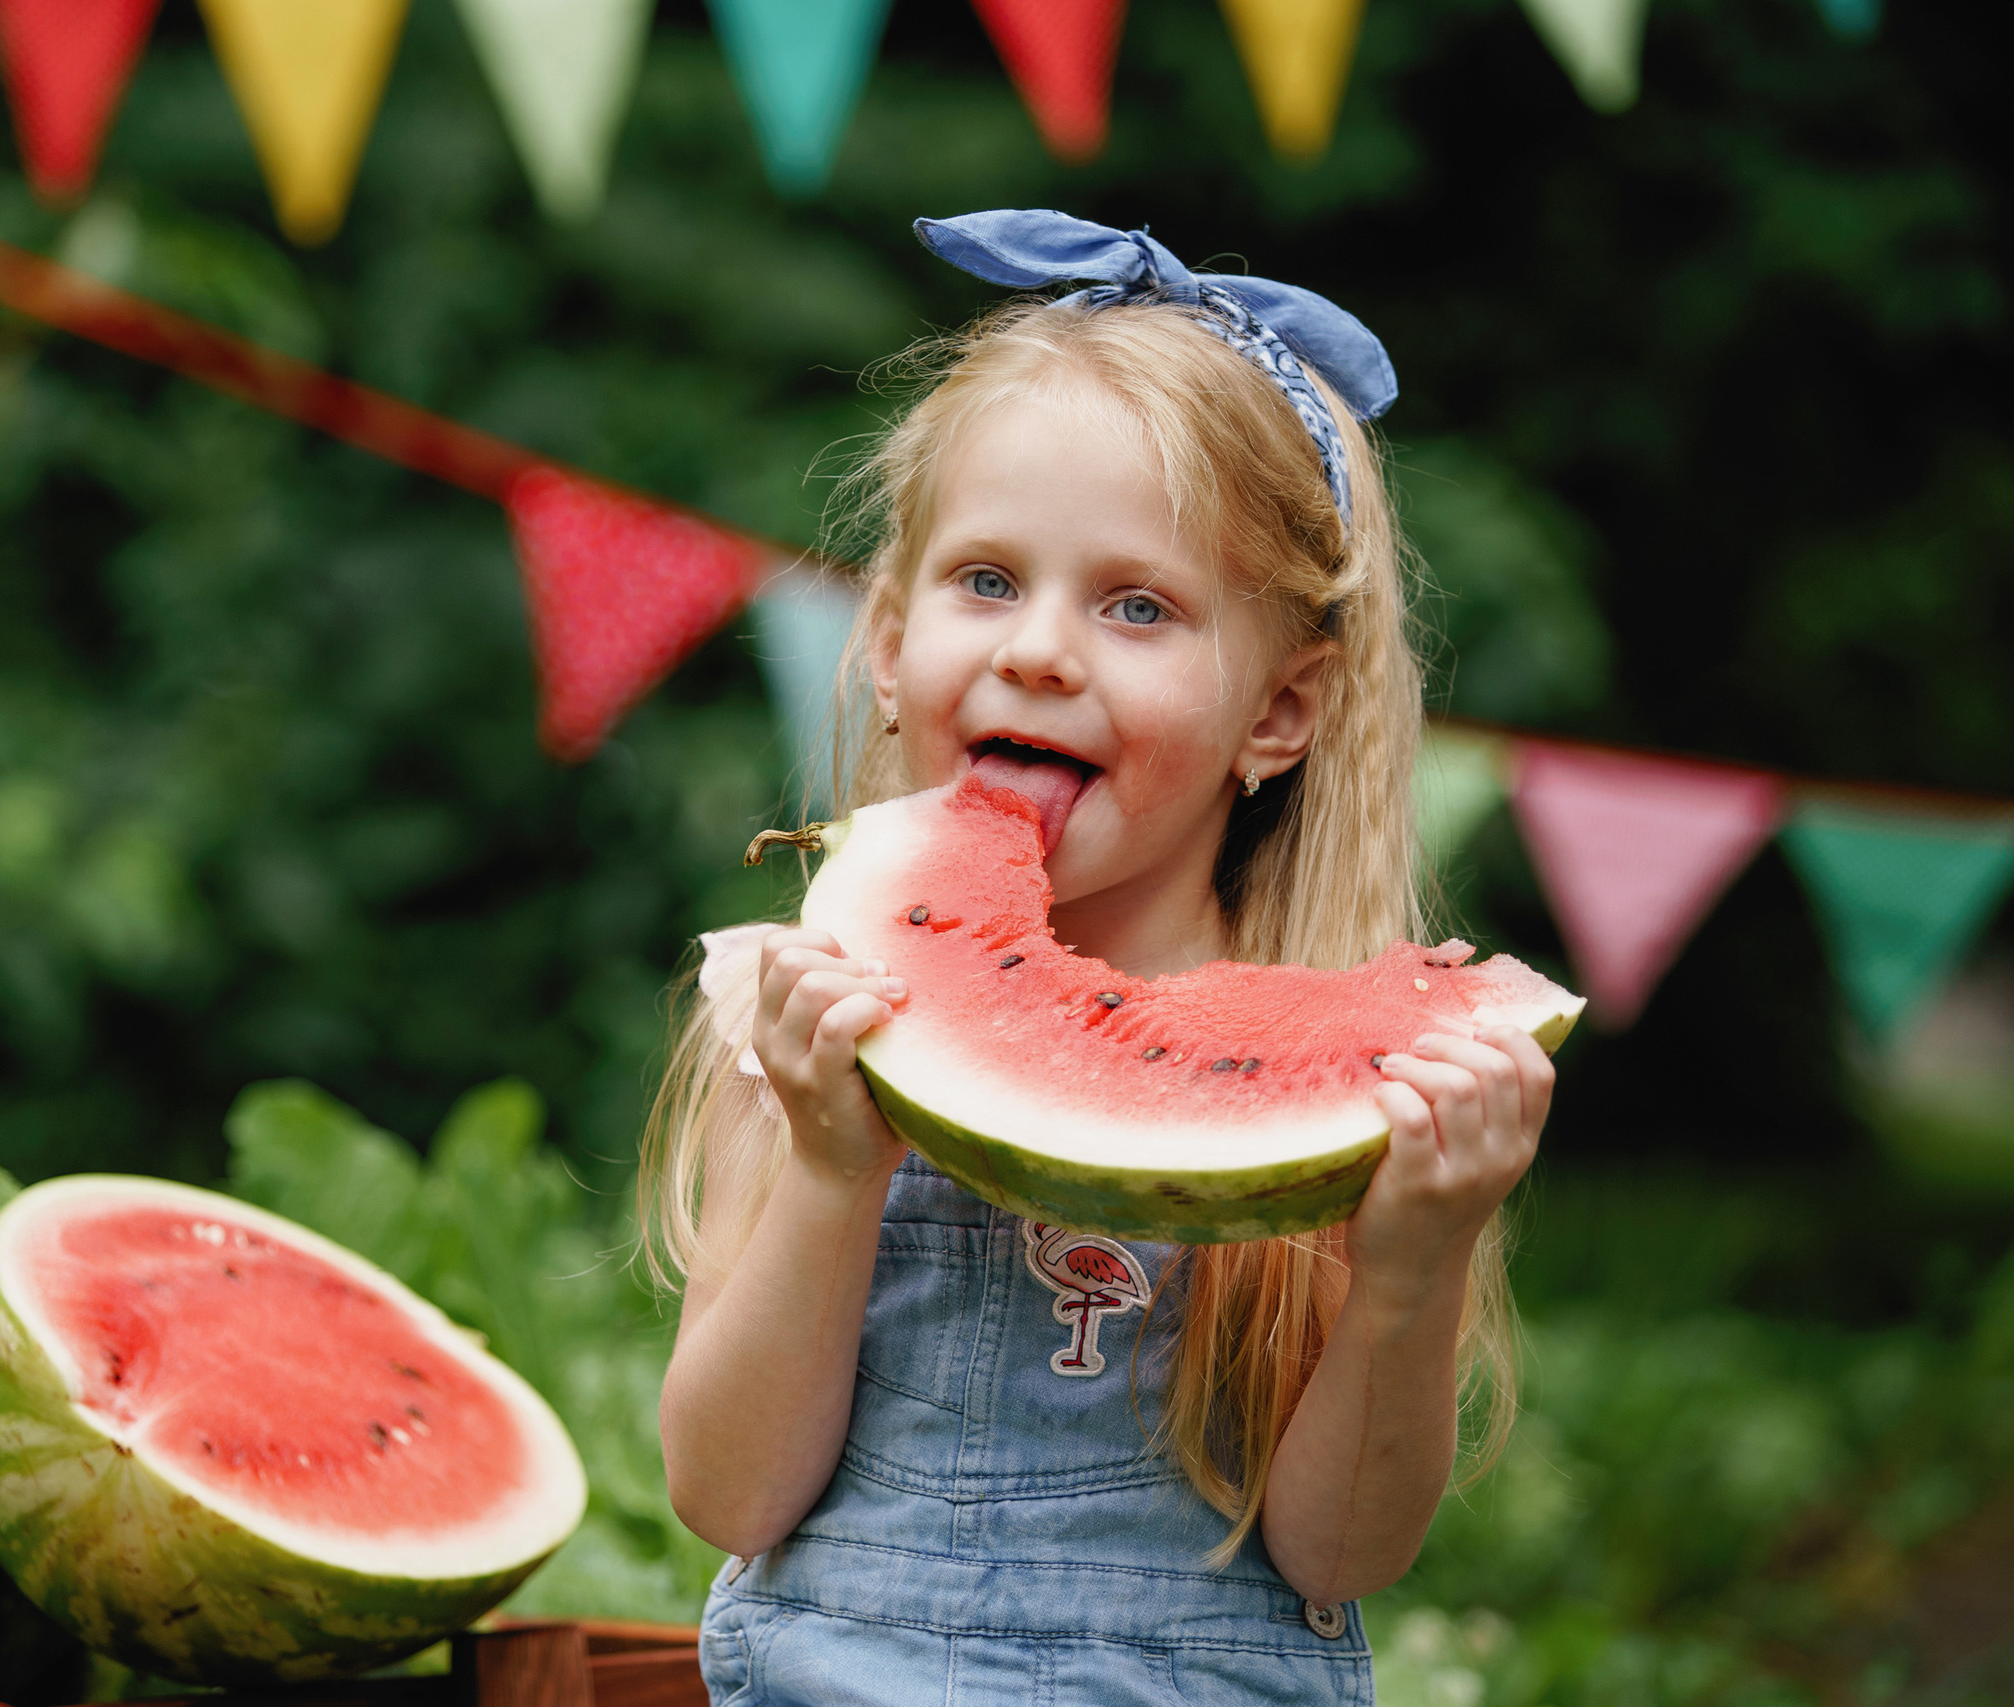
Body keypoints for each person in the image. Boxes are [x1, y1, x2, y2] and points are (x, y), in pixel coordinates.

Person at [640, 210, 1558, 1705]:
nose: (1040, 650)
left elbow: (1335, 1553)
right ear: (887, 641)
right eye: (986, 581)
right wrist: (831, 1166)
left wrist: (1414, 1264)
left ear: (1279, 713)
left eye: (1138, 606)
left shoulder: (1357, 1095)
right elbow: (730, 1497)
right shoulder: (801, 1014)